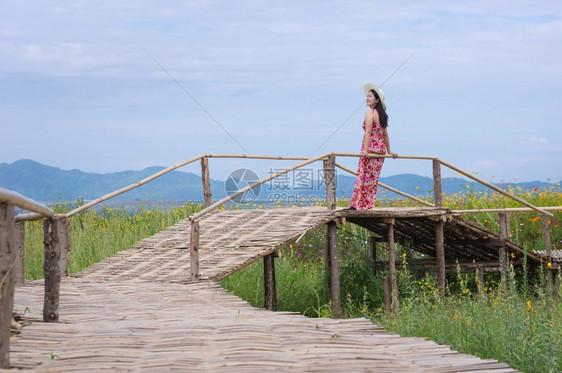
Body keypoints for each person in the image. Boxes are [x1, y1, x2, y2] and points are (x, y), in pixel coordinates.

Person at [345, 83, 398, 210]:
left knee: (362, 176)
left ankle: (356, 205)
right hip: (380, 151)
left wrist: (365, 150)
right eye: (367, 96)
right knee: (372, 180)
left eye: (370, 96)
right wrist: (389, 151)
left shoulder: (370, 113)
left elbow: (368, 131)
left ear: (377, 100)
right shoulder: (383, 115)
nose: (367, 98)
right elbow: (385, 135)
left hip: (370, 149)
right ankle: (367, 205)